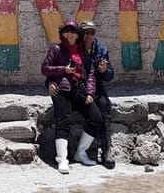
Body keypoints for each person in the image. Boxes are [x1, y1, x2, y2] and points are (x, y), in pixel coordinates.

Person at [41, 20, 104, 174]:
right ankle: (62, 158)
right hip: (61, 89)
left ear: (78, 35)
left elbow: (90, 73)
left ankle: (80, 153)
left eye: (74, 31)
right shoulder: (56, 49)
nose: (70, 34)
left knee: (96, 118)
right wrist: (63, 70)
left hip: (79, 90)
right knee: (63, 121)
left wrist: (90, 92)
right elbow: (45, 68)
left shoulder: (82, 51)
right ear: (63, 33)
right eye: (67, 31)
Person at [79, 21, 116, 169]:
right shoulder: (75, 49)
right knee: (94, 116)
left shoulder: (101, 50)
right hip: (79, 88)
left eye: (92, 33)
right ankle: (79, 151)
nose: (89, 36)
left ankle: (106, 151)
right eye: (86, 33)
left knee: (105, 110)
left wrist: (104, 71)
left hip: (97, 88)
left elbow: (110, 75)